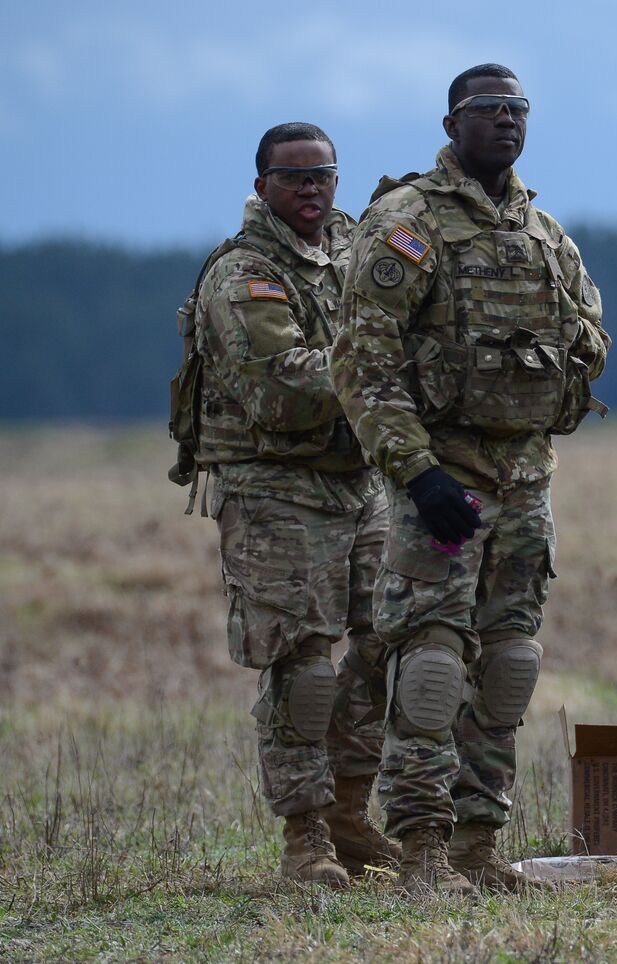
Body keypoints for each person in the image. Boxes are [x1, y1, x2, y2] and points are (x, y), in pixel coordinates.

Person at [332, 64, 609, 895]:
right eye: (489, 111)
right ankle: (419, 847)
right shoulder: (407, 222)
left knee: (508, 664)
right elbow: (363, 361)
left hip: (526, 478)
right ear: (453, 124)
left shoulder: (543, 230)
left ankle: (477, 847)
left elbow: (589, 332)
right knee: (430, 665)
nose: (507, 123)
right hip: (442, 482)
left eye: (518, 110)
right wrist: (416, 475)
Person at [188, 122, 397, 886]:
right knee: (303, 664)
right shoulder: (243, 273)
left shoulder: (355, 249)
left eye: (324, 176)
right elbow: (280, 388)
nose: (312, 190)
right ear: (263, 184)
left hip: (361, 482)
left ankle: (349, 815)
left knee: (387, 647)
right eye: (294, 177)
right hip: (276, 489)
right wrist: (381, 367)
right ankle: (304, 838)